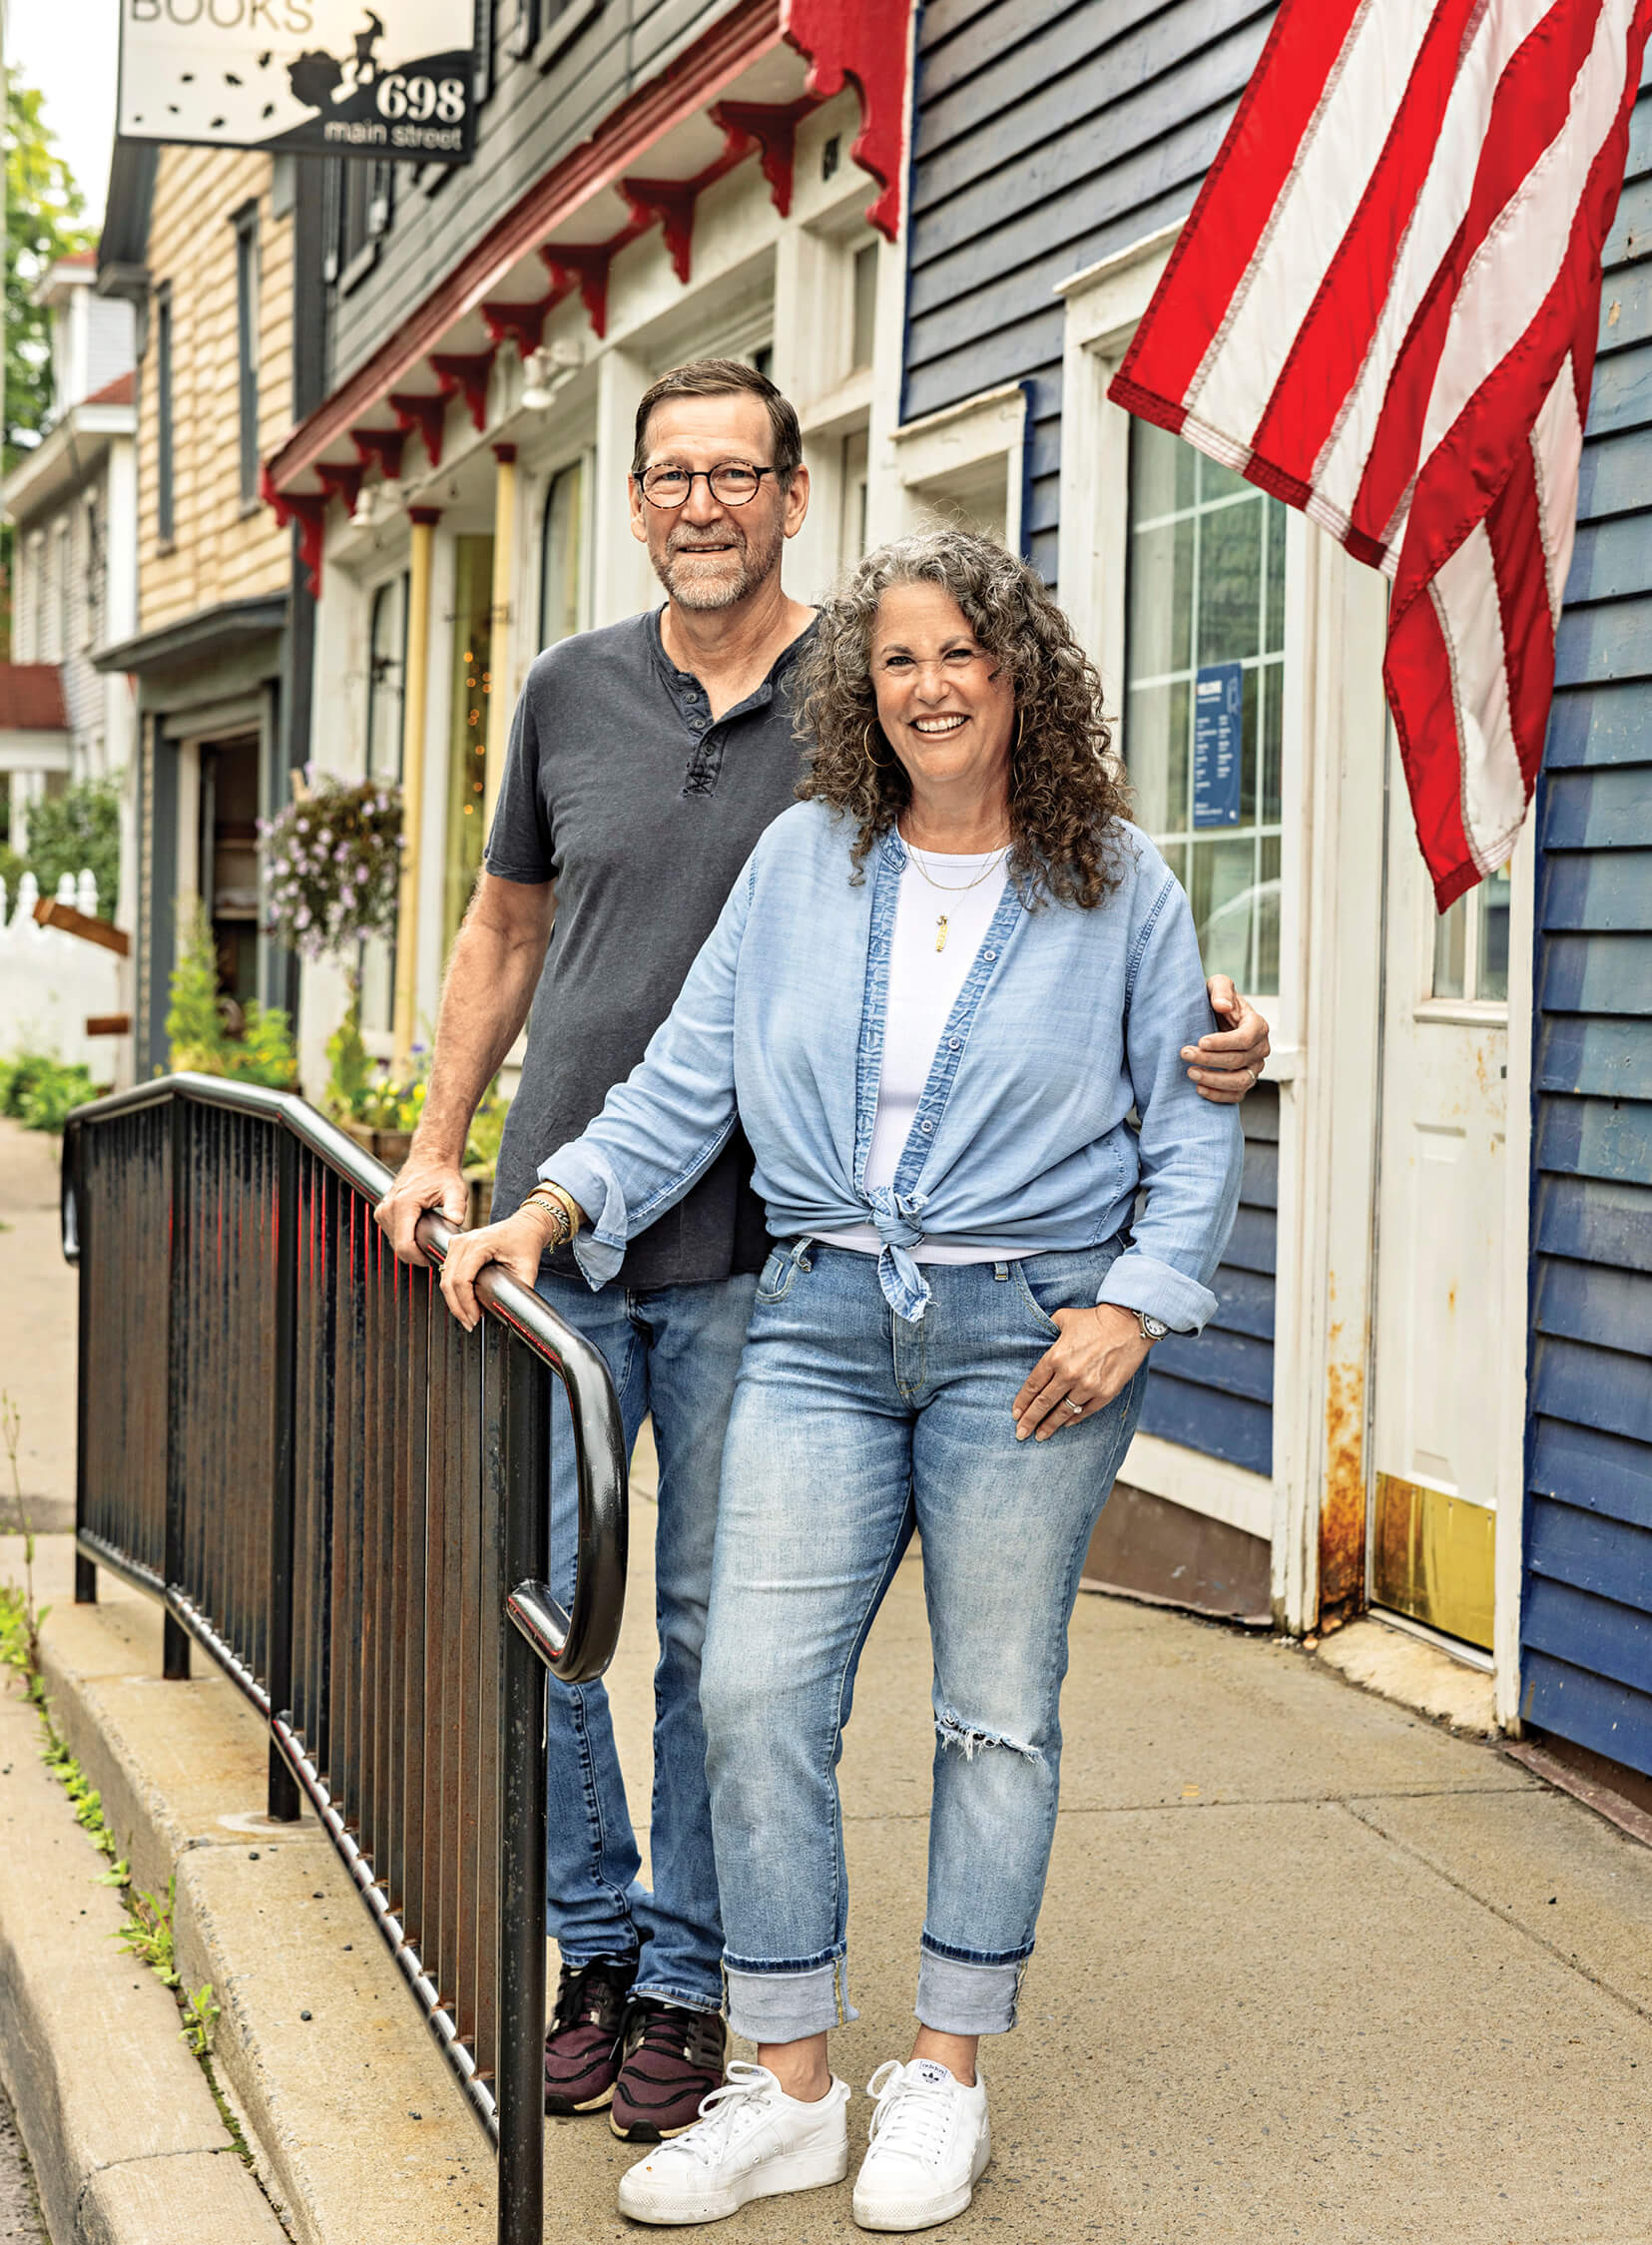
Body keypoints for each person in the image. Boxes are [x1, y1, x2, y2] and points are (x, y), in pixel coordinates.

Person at [377, 360, 1270, 2147]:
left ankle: (863, 2050)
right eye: (902, 663)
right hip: (769, 1295)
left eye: (965, 657)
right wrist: (518, 1192)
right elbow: (631, 1041)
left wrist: (1136, 1289)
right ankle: (709, 2026)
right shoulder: (780, 834)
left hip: (947, 1315)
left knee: (928, 1703)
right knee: (668, 1656)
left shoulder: (1115, 884)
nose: (932, 686)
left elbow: (1184, 1115)